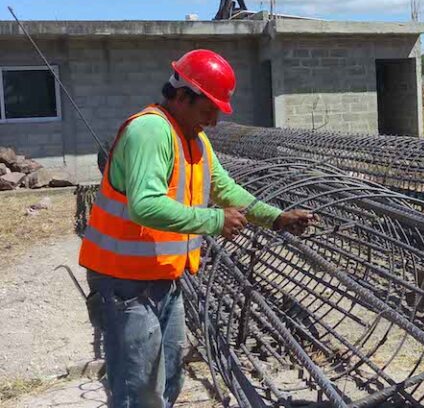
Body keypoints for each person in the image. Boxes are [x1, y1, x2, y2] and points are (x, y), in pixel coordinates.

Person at [80, 49, 316, 407]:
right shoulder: (150, 131)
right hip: (123, 283)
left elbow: (225, 189)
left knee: (170, 377)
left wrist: (276, 217)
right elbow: (145, 205)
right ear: (181, 96)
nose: (214, 122)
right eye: (208, 111)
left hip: (162, 278)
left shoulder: (194, 139)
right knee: (139, 389)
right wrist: (214, 220)